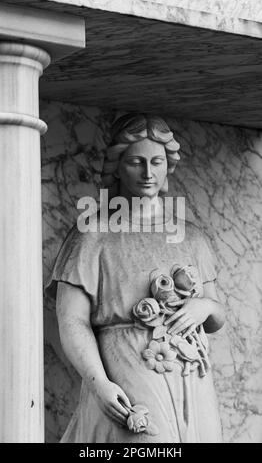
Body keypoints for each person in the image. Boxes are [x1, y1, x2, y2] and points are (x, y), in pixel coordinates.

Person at [46, 114, 225, 443]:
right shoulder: (92, 235)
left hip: (192, 378)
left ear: (167, 167)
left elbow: (216, 318)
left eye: (156, 162)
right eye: (135, 162)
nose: (147, 173)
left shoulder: (192, 237)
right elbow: (71, 320)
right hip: (127, 369)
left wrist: (203, 307)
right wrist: (99, 382)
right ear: (117, 166)